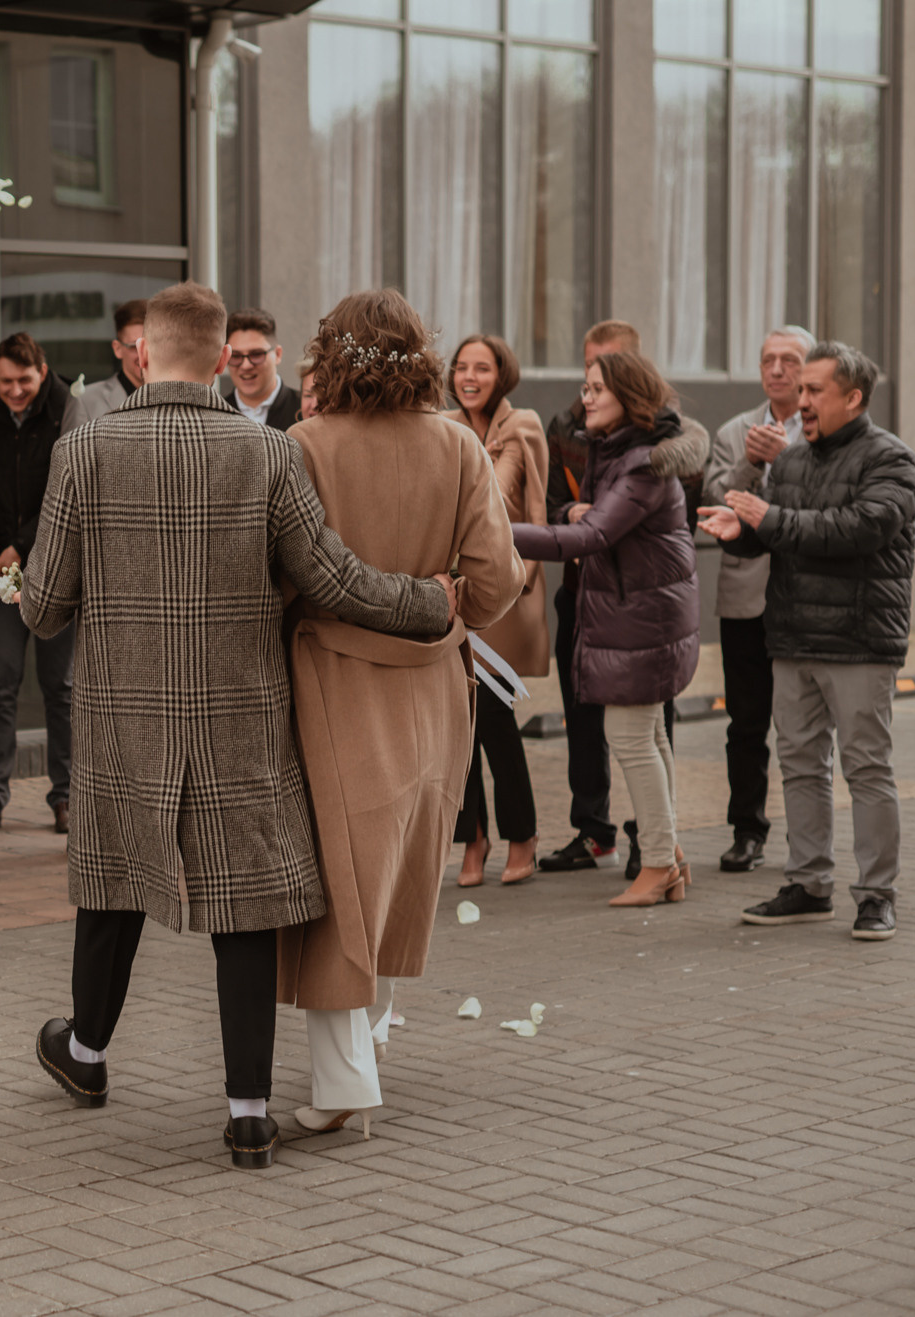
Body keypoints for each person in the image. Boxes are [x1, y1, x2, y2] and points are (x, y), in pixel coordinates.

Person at [19, 281, 455, 1170]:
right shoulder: (267, 455)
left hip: (122, 716)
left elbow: (42, 607)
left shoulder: (85, 449)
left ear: (142, 353)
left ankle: (88, 1053)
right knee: (244, 901)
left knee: (113, 882)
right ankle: (248, 1110)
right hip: (242, 712)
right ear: (223, 357)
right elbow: (333, 581)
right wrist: (431, 603)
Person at [276, 290, 522, 1139]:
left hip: (336, 681)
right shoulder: (458, 443)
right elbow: (496, 585)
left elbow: (276, 580)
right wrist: (443, 594)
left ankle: (344, 1077)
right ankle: (363, 1048)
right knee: (398, 868)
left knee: (343, 879)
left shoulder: (304, 445)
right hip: (433, 687)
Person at [697, 343, 915, 942]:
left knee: (866, 767)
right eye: (803, 390)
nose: (802, 400)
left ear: (854, 397)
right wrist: (737, 534)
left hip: (859, 641)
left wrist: (766, 520)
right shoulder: (790, 464)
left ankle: (876, 895)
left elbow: (859, 528)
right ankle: (809, 883)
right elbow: (775, 536)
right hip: (792, 637)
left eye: (815, 390)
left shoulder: (891, 459)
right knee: (799, 765)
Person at [515, 351, 701, 908]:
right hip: (639, 616)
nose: (586, 397)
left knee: (630, 740)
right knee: (650, 737)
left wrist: (497, 532)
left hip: (639, 622)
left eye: (597, 389)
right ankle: (670, 856)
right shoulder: (619, 454)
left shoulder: (642, 464)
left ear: (629, 398)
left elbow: (588, 538)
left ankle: (661, 863)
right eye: (585, 387)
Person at [701, 326, 816, 874]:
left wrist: (788, 456)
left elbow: (829, 493)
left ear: (810, 368)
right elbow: (713, 499)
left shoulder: (824, 431)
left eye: (789, 360)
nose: (777, 370)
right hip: (745, 595)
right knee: (745, 723)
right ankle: (747, 830)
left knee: (803, 726)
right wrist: (750, 462)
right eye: (768, 359)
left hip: (806, 595)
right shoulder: (735, 429)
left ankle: (808, 838)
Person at [0, 333, 73, 835]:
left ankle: (67, 797)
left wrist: (19, 546)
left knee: (61, 688)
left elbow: (66, 487)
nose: (15, 391)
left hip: (55, 565)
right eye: (5, 381)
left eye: (24, 381)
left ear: (42, 372)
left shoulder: (68, 407)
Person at [441, 334, 548, 888]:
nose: (469, 376)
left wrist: (520, 580)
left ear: (500, 373)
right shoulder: (444, 425)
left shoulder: (522, 425)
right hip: (457, 593)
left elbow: (524, 506)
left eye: (481, 368)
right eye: (461, 367)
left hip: (507, 590)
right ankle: (473, 838)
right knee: (461, 722)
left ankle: (522, 834)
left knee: (498, 723)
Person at [62, 299, 148, 432]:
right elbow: (68, 453)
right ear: (117, 349)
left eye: (150, 345)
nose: (143, 355)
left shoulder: (173, 398)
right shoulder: (85, 402)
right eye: (133, 346)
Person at [219, 308, 302, 429]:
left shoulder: (304, 410)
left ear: (278, 354)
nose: (246, 365)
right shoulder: (216, 414)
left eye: (256, 354)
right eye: (236, 356)